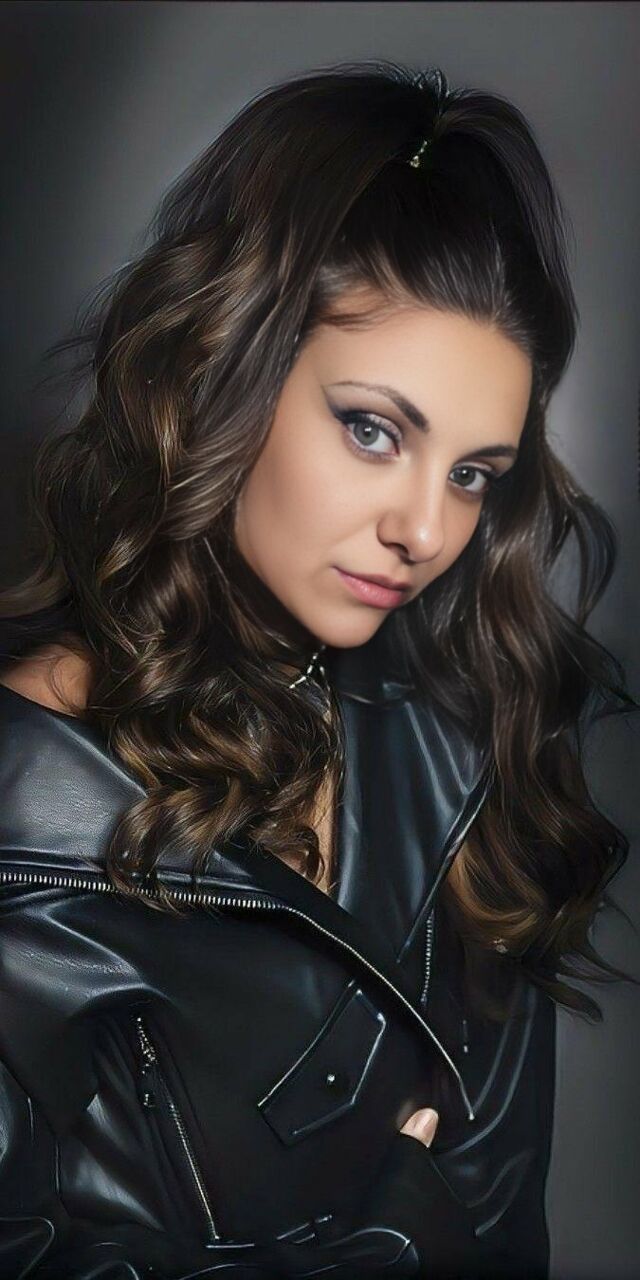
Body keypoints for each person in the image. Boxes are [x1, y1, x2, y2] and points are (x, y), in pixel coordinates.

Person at [0, 60, 636, 1280]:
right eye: (372, 428)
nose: (426, 529)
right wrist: (391, 1243)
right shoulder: (25, 811)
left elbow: (502, 1231)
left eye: (473, 473)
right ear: (224, 375)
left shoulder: (459, 750)